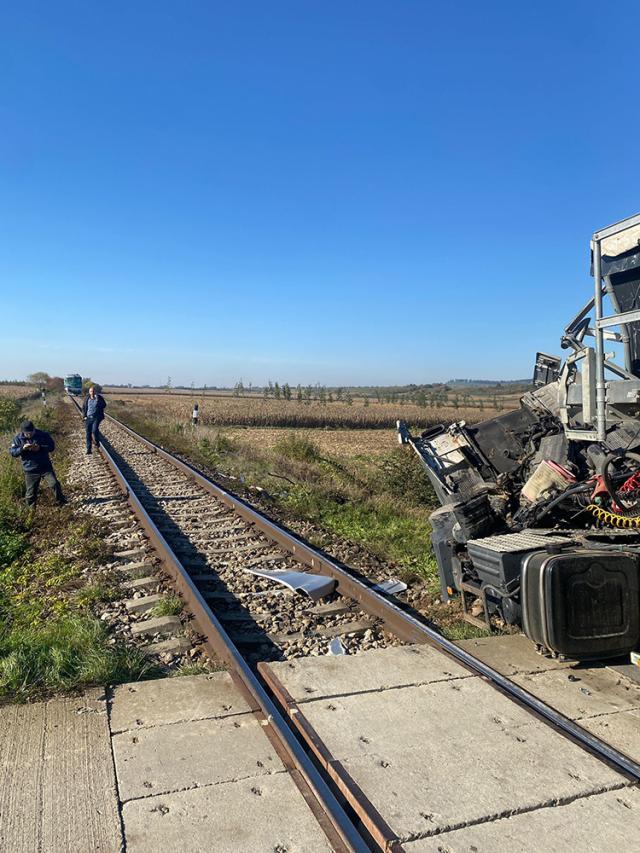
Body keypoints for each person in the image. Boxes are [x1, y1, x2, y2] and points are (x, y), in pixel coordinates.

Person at [9, 420, 67, 508]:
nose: (29, 435)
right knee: (30, 493)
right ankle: (31, 511)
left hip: (45, 467)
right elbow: (13, 452)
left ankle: (62, 502)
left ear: (34, 429)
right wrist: (22, 448)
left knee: (54, 484)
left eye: (31, 432)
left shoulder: (43, 435)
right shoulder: (17, 439)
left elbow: (51, 446)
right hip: (30, 470)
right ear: (23, 432)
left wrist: (40, 448)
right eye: (27, 433)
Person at [82, 385, 107, 454]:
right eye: (91, 391)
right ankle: (88, 449)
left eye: (93, 391)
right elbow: (84, 407)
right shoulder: (87, 398)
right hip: (88, 418)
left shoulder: (99, 398)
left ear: (95, 392)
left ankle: (97, 441)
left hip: (97, 417)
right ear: (89, 392)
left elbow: (104, 405)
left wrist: (98, 400)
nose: (92, 393)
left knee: (94, 430)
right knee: (88, 434)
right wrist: (84, 416)